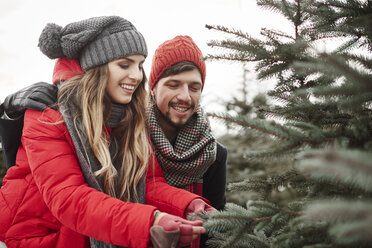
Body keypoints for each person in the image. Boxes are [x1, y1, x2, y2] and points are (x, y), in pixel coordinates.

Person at [0, 16, 215, 248]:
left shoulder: (130, 117)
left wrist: (189, 204)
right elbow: (68, 197)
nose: (136, 75)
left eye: (140, 65)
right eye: (125, 64)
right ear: (97, 67)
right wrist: (149, 222)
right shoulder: (48, 115)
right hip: (38, 237)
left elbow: (147, 182)